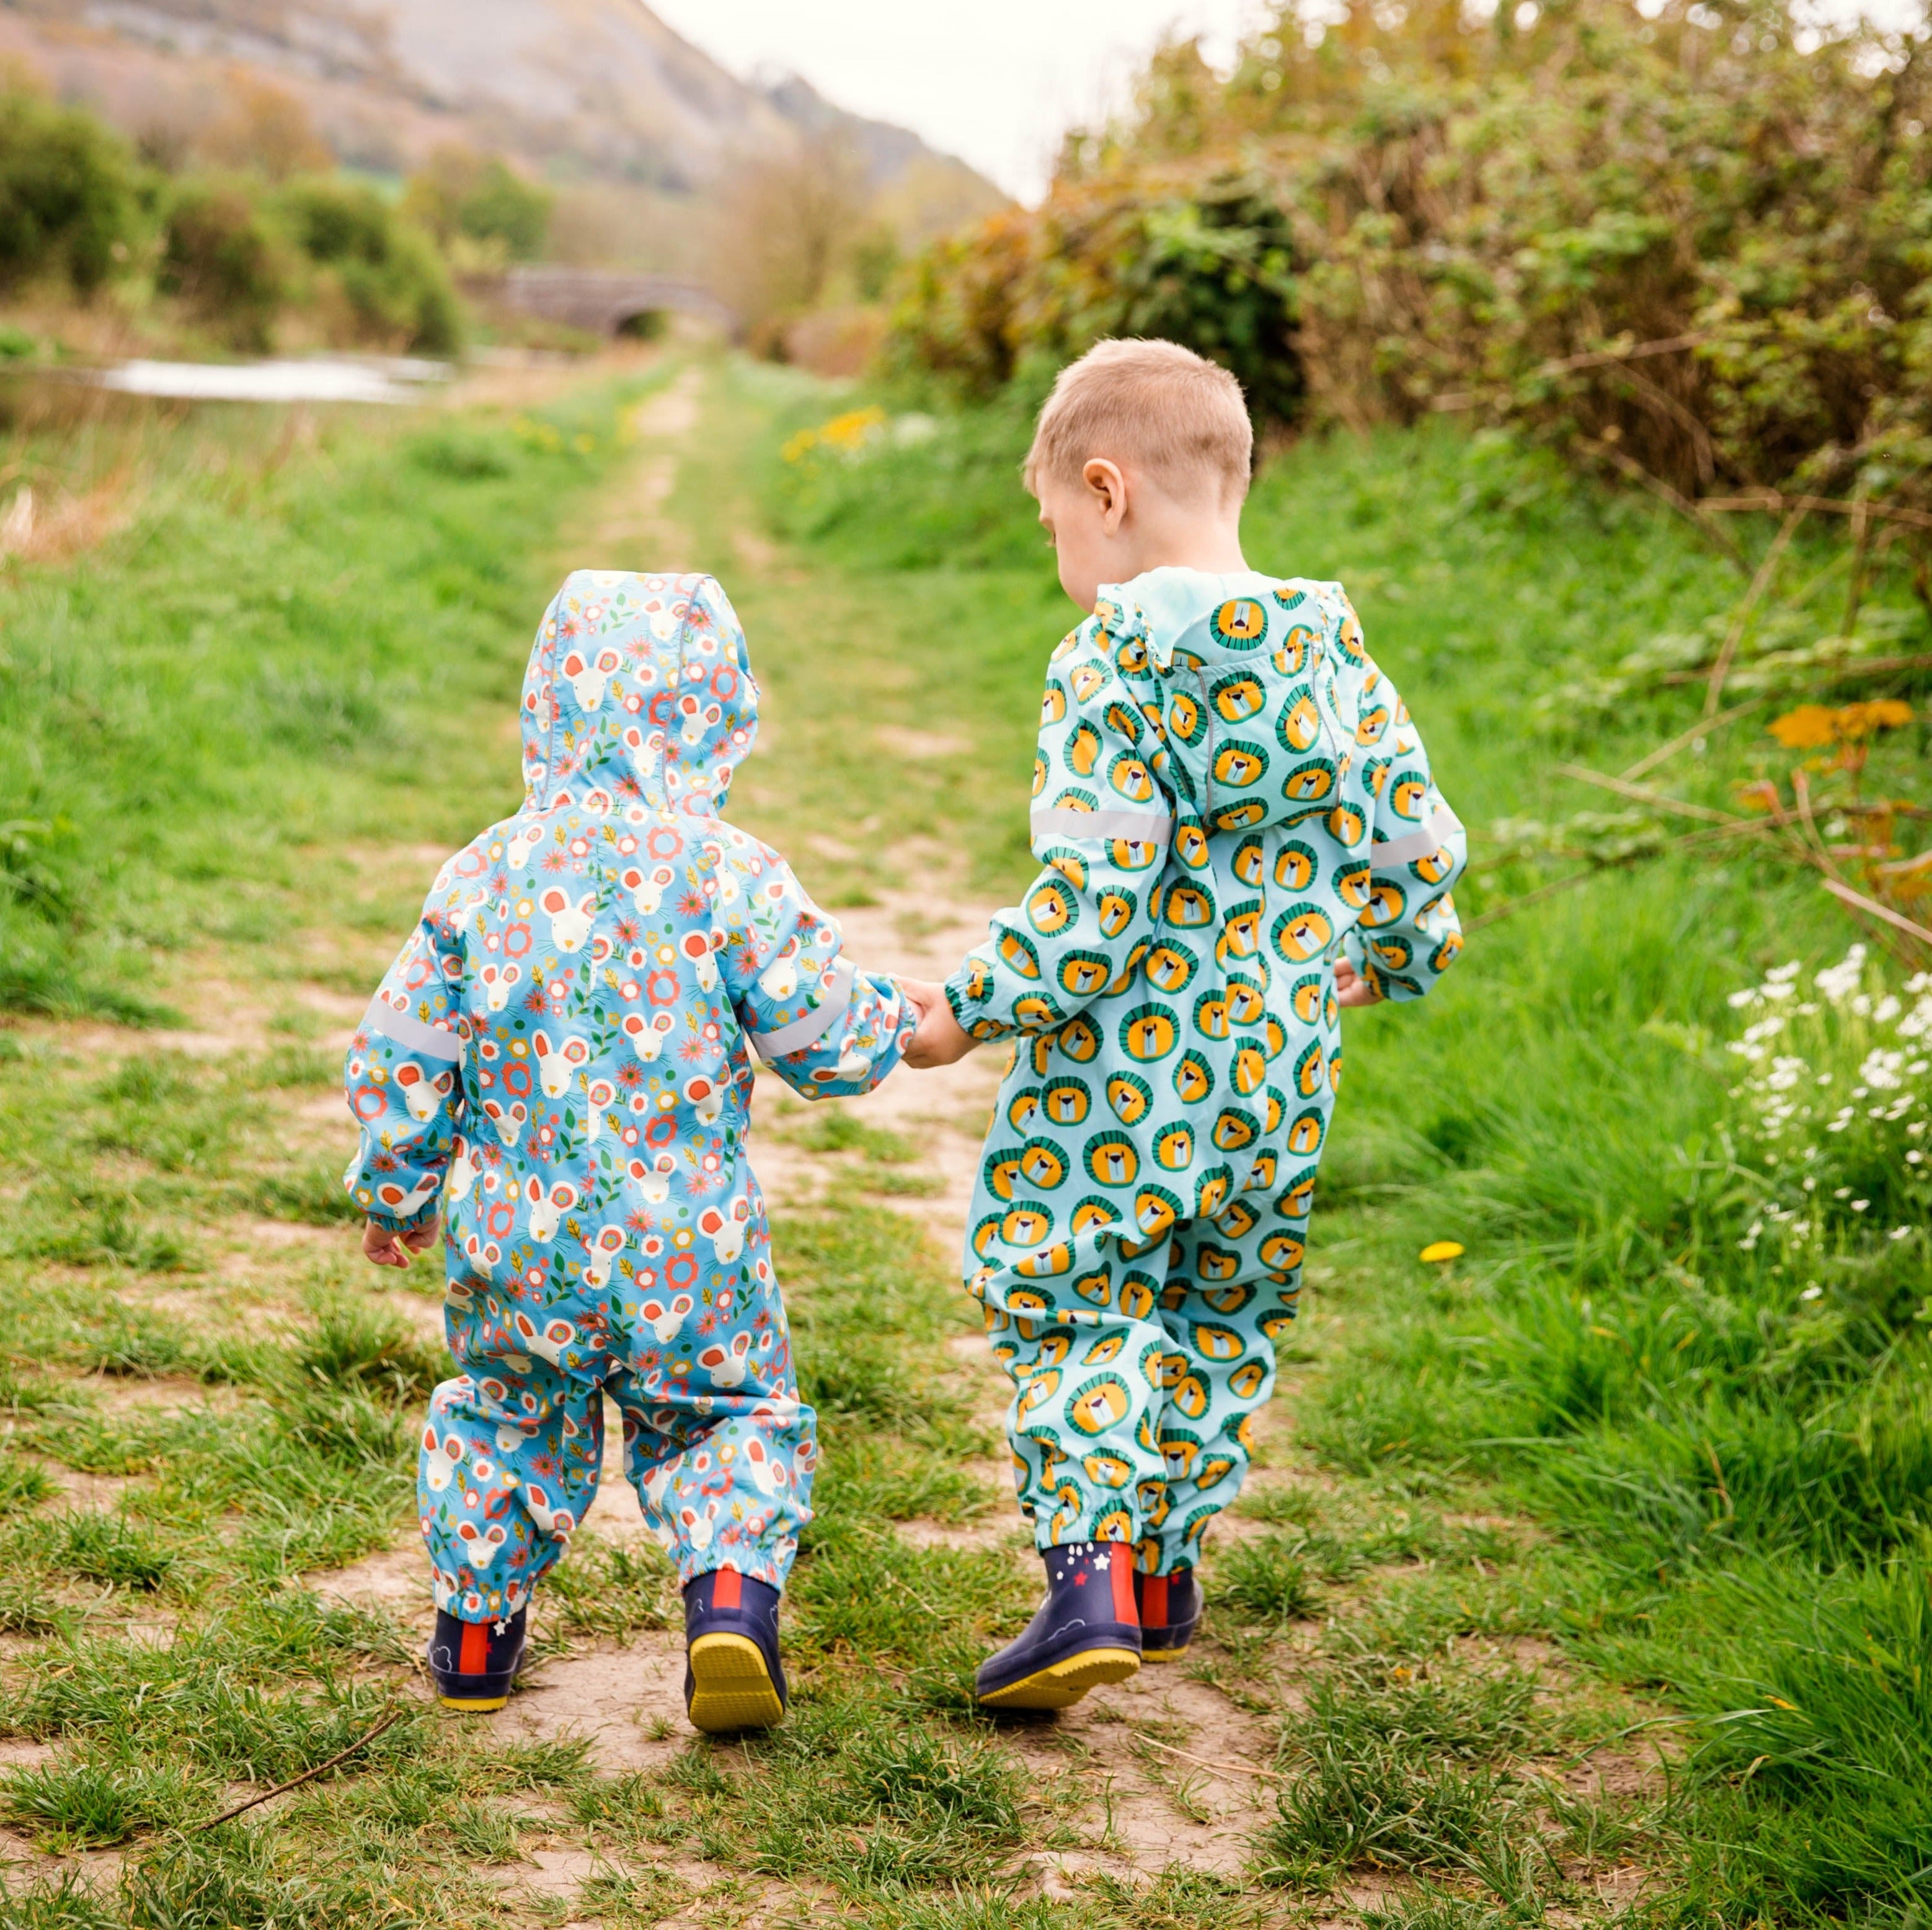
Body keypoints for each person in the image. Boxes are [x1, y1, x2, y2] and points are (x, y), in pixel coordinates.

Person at [903, 338, 1466, 1711]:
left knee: (1073, 1292)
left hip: (1122, 1075)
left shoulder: (1114, 658)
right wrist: (1389, 958)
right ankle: (1162, 1572)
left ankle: (1085, 1576)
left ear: (1104, 491)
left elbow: (1092, 897)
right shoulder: (1333, 649)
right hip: (1278, 1069)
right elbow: (1417, 841)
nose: (1057, 556)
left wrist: (963, 1013)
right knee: (1218, 1305)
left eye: (1051, 526)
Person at [343, 569, 916, 1729]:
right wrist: (897, 1023)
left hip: (518, 1246)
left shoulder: (483, 872)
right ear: (718, 713)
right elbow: (831, 1039)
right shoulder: (730, 872)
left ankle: (470, 1641)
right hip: (691, 1243)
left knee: (504, 1414)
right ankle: (730, 1611)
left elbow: (406, 1046)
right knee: (726, 1413)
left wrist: (399, 1191)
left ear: (546, 707)